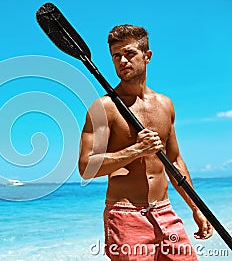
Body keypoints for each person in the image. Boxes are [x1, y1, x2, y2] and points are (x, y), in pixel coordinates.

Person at [78, 24, 213, 260]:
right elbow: (85, 167)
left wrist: (196, 208)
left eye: (129, 53)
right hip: (125, 215)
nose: (122, 61)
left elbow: (174, 161)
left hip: (165, 212)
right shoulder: (104, 108)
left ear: (147, 56)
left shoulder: (165, 105)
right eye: (116, 56)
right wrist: (136, 150)